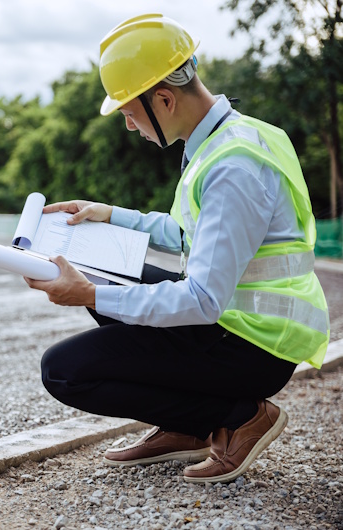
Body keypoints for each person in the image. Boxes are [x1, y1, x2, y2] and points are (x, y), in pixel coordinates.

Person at [24, 14, 329, 483]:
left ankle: (236, 416)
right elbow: (192, 231)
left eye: (129, 111)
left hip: (254, 344)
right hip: (240, 324)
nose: (129, 125)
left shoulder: (233, 166)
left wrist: (88, 295)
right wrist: (109, 214)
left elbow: (203, 300)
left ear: (163, 99)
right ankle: (191, 424)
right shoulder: (238, 137)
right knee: (108, 272)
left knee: (63, 371)